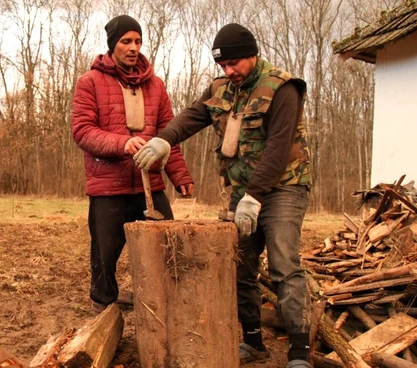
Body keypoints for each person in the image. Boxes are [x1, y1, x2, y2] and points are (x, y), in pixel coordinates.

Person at [134, 23, 312, 368]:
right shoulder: (221, 87)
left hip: (284, 188)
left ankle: (300, 351)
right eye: (223, 66)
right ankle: (254, 342)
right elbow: (192, 116)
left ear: (252, 55)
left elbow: (277, 149)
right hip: (241, 191)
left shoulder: (282, 88)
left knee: (284, 266)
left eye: (234, 64)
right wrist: (164, 139)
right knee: (240, 266)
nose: (229, 72)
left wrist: (255, 197)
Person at [71, 15, 195, 314]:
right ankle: (104, 310)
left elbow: (168, 134)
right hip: (107, 188)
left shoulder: (156, 85)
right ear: (113, 44)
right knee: (105, 255)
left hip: (149, 185)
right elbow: (82, 131)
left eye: (137, 41)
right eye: (126, 41)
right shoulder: (90, 82)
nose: (133, 48)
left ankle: (163, 304)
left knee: (167, 248)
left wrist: (179, 174)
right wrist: (122, 144)